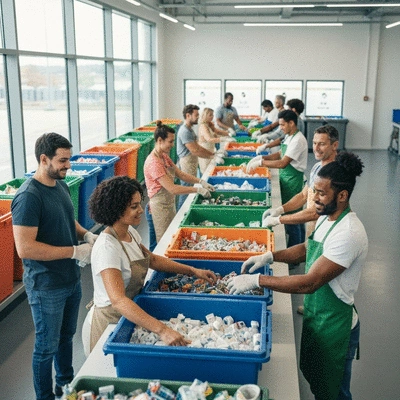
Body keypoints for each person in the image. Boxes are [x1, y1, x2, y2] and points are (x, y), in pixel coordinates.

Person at [228, 152, 368, 400]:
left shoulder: (349, 232)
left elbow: (310, 282)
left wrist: (257, 280)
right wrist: (271, 256)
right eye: (315, 191)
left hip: (335, 323)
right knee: (318, 384)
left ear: (342, 196)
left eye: (321, 193)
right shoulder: (328, 217)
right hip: (319, 316)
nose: (315, 198)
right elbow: (307, 249)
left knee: (334, 392)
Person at [82, 176, 217, 353]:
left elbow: (151, 259)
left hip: (130, 314)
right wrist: (162, 330)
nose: (141, 210)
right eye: (133, 207)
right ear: (115, 210)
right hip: (109, 324)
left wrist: (192, 271)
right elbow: (118, 300)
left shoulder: (129, 231)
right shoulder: (108, 247)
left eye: (140, 203)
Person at [11, 132, 96, 400]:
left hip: (70, 278)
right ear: (43, 158)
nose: (68, 165)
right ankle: (45, 396)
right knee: (46, 347)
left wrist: (86, 234)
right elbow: (26, 248)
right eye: (62, 160)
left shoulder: (59, 185)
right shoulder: (28, 197)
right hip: (46, 285)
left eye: (69, 159)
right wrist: (74, 251)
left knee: (65, 337)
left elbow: (67, 220)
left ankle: (66, 385)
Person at [144, 121, 214, 251]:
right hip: (158, 208)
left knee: (166, 240)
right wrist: (197, 189)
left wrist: (201, 181)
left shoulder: (164, 156)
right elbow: (172, 188)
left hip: (168, 204)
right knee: (161, 246)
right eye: (170, 141)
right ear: (160, 140)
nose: (172, 145)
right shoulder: (154, 162)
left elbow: (180, 174)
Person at [247, 110, 308, 253]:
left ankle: (295, 254)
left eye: (282, 124)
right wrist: (263, 157)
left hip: (292, 180)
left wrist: (262, 163)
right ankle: (296, 247)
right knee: (293, 216)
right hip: (286, 178)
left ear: (291, 123)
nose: (280, 127)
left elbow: (283, 163)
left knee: (292, 218)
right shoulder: (289, 136)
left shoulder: (298, 140)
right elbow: (281, 153)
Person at [262, 125, 339, 237]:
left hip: (326, 232)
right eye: (314, 143)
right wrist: (280, 209)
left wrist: (279, 220)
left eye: (322, 144)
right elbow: (304, 195)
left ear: (335, 145)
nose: (316, 148)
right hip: (313, 229)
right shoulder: (317, 167)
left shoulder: (334, 174)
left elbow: (315, 212)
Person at [176, 104, 223, 209]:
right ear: (188, 115)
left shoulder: (190, 130)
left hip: (191, 163)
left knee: (189, 190)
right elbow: (195, 151)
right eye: (196, 115)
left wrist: (213, 154)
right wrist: (212, 157)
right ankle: (180, 215)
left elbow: (198, 147)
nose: (198, 117)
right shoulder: (184, 131)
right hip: (185, 165)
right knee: (185, 191)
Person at [198, 107, 236, 174]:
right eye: (210, 115)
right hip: (204, 150)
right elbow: (209, 139)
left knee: (210, 170)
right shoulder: (203, 126)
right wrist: (223, 139)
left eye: (212, 115)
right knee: (205, 172)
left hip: (210, 149)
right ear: (205, 115)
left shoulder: (209, 124)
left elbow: (217, 132)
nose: (212, 117)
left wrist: (228, 133)